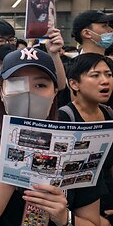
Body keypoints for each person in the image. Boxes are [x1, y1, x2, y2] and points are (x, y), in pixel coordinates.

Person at [0, 48, 105, 226]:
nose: (28, 94)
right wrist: (16, 164)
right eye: (16, 85)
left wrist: (65, 218)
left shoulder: (80, 145)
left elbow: (93, 222)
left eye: (40, 85)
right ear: (1, 92)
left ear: (54, 92)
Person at [58, 53, 113, 226]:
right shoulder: (63, 119)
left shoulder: (109, 114)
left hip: (107, 200)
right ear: (74, 84)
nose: (105, 81)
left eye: (109, 74)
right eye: (95, 75)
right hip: (76, 207)